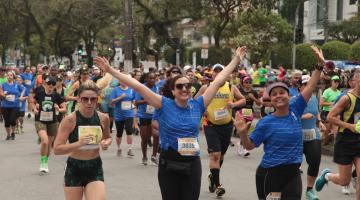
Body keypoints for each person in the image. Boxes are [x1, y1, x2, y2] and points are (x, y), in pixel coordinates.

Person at [94, 46, 247, 200]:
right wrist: (110, 70)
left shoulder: (198, 104)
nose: (184, 89)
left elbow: (219, 80)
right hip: (169, 163)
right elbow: (137, 85)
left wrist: (236, 59)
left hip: (192, 163)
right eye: (179, 86)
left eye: (187, 85)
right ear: (173, 91)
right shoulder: (164, 104)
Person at [234, 45, 323, 199]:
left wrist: (319, 65)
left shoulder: (296, 109)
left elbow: (310, 85)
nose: (278, 96)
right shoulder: (266, 122)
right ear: (271, 100)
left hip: (293, 174)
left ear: (289, 96)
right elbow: (249, 146)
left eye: (282, 92)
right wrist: (242, 133)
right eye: (274, 94)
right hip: (270, 175)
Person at [54, 81, 112, 200]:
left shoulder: (103, 118)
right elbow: (57, 149)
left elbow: (108, 137)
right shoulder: (70, 120)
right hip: (74, 167)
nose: (89, 103)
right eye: (85, 99)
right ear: (79, 99)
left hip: (95, 166)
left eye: (93, 99)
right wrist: (79, 143)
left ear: (97, 99)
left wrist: (106, 143)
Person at [195, 63, 246, 197]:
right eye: (215, 71)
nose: (217, 74)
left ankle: (213, 176)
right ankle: (218, 185)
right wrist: (202, 109)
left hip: (227, 125)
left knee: (221, 155)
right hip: (210, 124)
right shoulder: (206, 88)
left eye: (220, 71)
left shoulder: (231, 87)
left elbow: (243, 100)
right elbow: (193, 102)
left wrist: (233, 104)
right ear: (212, 74)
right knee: (215, 155)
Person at [315, 68, 360, 200]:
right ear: (355, 81)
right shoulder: (346, 98)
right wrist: (350, 126)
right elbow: (330, 117)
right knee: (344, 181)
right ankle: (327, 176)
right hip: (345, 141)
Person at [32, 75, 66, 173]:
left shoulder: (56, 96)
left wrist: (58, 109)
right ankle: (42, 163)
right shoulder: (39, 93)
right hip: (40, 120)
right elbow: (31, 102)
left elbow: (64, 109)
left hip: (53, 122)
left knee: (49, 144)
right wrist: (34, 108)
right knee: (45, 141)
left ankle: (45, 162)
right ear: (45, 84)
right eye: (48, 84)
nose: (50, 86)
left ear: (55, 85)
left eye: (53, 84)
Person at [298, 75, 323, 200]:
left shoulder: (314, 98)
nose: (309, 86)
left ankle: (309, 190)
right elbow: (289, 115)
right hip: (297, 136)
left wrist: (319, 121)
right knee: (293, 164)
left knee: (315, 161)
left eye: (311, 84)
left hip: (313, 134)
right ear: (300, 87)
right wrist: (302, 117)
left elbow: (316, 111)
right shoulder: (295, 99)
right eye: (306, 84)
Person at [110, 77, 135, 157]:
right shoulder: (115, 90)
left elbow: (134, 100)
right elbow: (112, 102)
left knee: (129, 130)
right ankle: (119, 148)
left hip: (129, 113)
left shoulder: (131, 89)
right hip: (119, 114)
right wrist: (120, 97)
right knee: (119, 133)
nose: (123, 81)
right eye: (122, 80)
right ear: (119, 81)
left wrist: (133, 105)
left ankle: (130, 149)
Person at [0, 70, 23, 140]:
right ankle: (8, 134)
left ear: (13, 77)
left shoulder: (17, 84)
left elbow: (24, 90)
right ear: (6, 76)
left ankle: (13, 132)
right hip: (5, 105)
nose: (9, 77)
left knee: (13, 120)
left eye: (11, 75)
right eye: (8, 75)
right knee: (7, 121)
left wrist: (21, 97)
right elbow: (0, 92)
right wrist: (4, 96)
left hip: (15, 105)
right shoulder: (3, 84)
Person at [320, 75, 341, 145]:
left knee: (336, 132)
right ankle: (319, 145)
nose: (337, 83)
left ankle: (336, 149)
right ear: (332, 82)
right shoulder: (327, 91)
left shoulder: (339, 92)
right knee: (325, 132)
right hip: (326, 113)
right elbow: (321, 103)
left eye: (338, 81)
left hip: (335, 114)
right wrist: (331, 103)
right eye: (335, 81)